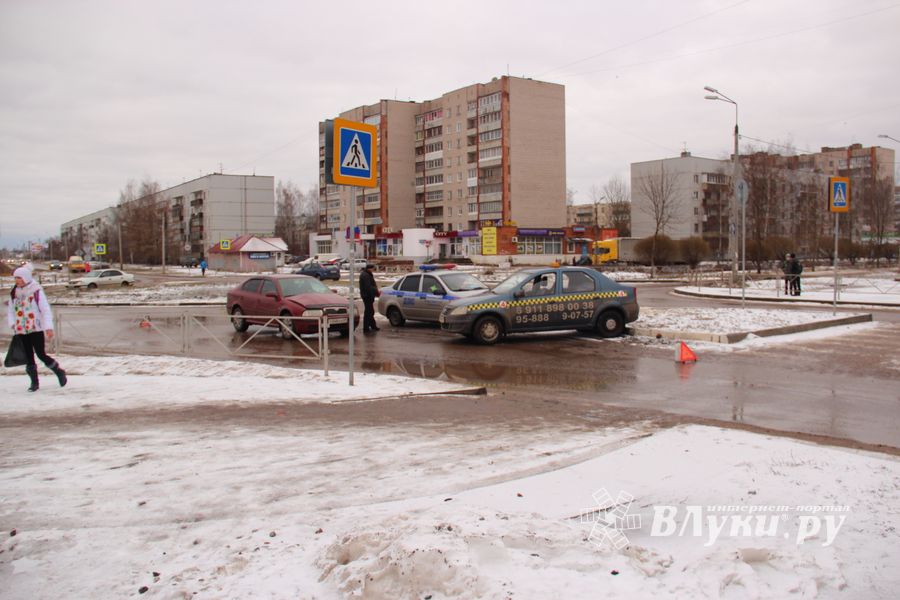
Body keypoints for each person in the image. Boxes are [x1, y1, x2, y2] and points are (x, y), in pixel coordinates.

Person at [7, 266, 67, 392]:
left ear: (26, 278)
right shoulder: (14, 292)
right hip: (21, 330)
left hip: (36, 328)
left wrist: (48, 327)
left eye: (19, 278)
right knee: (28, 356)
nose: (17, 280)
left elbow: (45, 310)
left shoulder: (36, 291)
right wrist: (13, 324)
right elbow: (11, 311)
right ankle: (34, 382)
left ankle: (58, 371)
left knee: (41, 354)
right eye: (15, 278)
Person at [359, 263, 380, 333]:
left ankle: (372, 326)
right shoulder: (365, 275)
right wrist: (375, 292)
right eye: (372, 268)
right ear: (369, 268)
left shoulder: (367, 274)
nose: (373, 270)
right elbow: (368, 287)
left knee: (370, 311)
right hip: (367, 296)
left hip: (367, 295)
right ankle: (366, 327)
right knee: (369, 311)